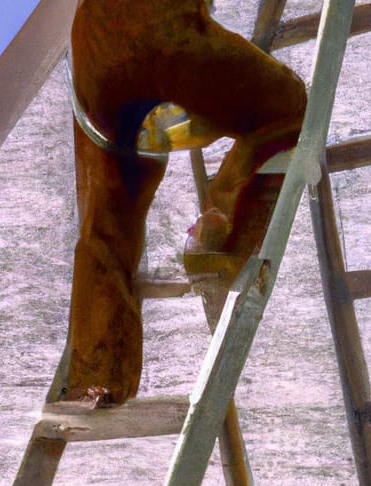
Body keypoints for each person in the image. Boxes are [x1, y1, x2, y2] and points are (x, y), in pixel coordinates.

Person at [62, 0, 307, 406]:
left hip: (92, 51)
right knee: (290, 106)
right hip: (160, 32)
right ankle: (217, 236)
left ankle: (96, 376)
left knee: (108, 218)